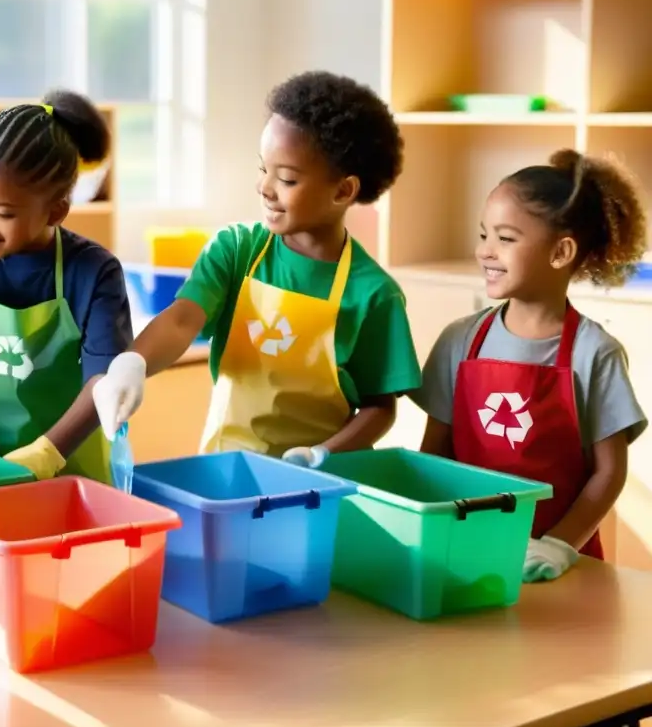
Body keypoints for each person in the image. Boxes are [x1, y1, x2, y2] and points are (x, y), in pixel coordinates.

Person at [93, 71, 421, 464]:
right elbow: (182, 320)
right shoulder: (237, 251)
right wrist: (134, 361)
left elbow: (379, 406)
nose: (265, 187)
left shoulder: (373, 294)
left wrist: (321, 455)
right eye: (263, 169)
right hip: (225, 467)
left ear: (343, 190)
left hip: (318, 483)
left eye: (287, 178)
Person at [411, 149, 648, 583]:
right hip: (467, 549)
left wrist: (559, 546)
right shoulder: (459, 341)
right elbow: (436, 453)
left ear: (561, 251)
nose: (485, 251)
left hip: (559, 561)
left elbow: (610, 470)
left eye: (505, 238)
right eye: (484, 235)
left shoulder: (595, 353)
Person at [0, 89, 131, 483]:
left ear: (56, 210)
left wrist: (45, 454)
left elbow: (104, 381)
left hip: (75, 478)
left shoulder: (94, 272)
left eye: (3, 212)